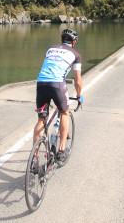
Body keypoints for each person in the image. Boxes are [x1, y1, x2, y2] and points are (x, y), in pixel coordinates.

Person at [33, 28, 83, 161]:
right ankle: (61, 150)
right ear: (74, 42)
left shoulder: (50, 49)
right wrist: (79, 96)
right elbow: (78, 81)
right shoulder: (75, 55)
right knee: (64, 113)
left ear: (61, 40)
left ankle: (34, 158)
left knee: (41, 119)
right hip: (57, 85)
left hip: (41, 83)